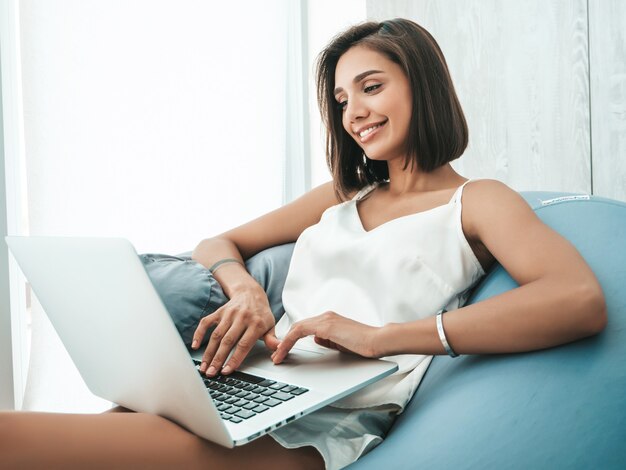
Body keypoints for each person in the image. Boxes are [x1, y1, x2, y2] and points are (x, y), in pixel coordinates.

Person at [0, 18, 606, 470]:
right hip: (255, 380)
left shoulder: (478, 200)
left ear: (422, 86)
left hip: (325, 420)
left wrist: (377, 338)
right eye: (342, 100)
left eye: (371, 87)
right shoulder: (341, 195)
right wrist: (247, 296)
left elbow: (577, 299)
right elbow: (219, 242)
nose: (354, 113)